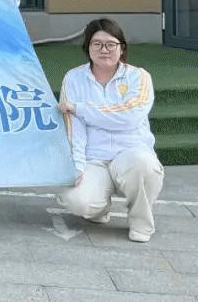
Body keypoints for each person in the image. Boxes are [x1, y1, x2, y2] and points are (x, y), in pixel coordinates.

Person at [58, 19, 163, 243]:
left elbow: (130, 116)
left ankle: (141, 224)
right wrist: (78, 166)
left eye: (111, 44)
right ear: (87, 48)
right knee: (77, 201)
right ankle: (99, 208)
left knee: (144, 166)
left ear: (122, 48)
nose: (104, 50)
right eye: (96, 44)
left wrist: (81, 109)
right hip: (94, 157)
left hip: (131, 152)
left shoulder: (139, 77)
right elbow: (73, 126)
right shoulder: (74, 78)